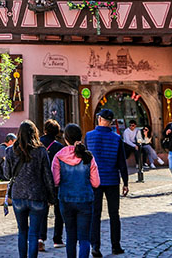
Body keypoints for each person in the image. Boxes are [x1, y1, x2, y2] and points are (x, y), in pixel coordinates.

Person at [4, 120, 55, 258]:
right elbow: (47, 176)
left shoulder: (10, 151)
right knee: (34, 234)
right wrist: (52, 196)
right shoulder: (41, 151)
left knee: (22, 232)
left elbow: (7, 174)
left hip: (18, 196)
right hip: (37, 195)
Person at [85, 108, 128, 257]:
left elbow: (86, 161)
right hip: (112, 180)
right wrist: (126, 182)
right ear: (110, 122)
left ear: (99, 119)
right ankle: (116, 246)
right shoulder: (117, 138)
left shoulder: (89, 136)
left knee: (95, 214)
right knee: (114, 214)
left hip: (94, 180)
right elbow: (122, 163)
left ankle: (95, 246)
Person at [53, 123, 100, 258]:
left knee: (71, 236)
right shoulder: (88, 157)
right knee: (84, 238)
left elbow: (56, 181)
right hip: (85, 199)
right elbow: (96, 183)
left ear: (65, 138)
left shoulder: (58, 156)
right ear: (80, 137)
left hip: (66, 200)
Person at [40, 120, 65, 250]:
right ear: (57, 132)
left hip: (41, 182)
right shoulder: (59, 147)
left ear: (45, 130)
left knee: (42, 211)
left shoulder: (38, 144)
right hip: (56, 182)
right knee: (58, 212)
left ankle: (40, 238)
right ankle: (57, 239)